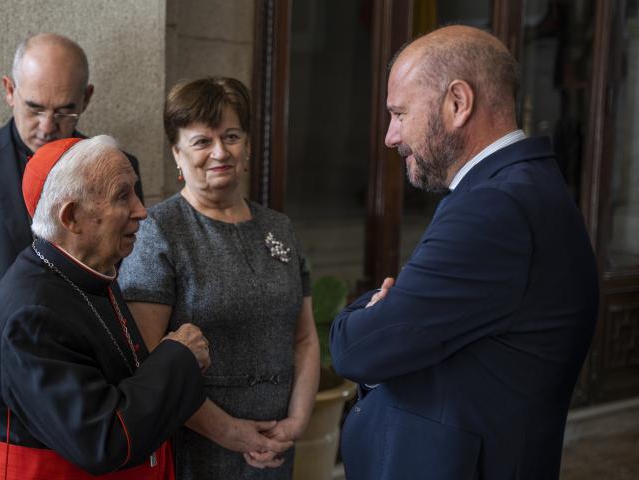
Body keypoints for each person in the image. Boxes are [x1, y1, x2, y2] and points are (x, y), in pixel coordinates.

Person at [330, 25, 599, 480]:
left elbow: (356, 351)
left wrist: (365, 311)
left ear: (458, 102)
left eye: (400, 113)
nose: (391, 136)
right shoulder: (514, 189)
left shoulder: (495, 207)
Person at [0, 33, 142, 478]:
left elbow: (127, 281)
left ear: (87, 98)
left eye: (64, 111)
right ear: (9, 90)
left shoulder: (119, 170)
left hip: (87, 410)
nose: (46, 126)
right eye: (34, 108)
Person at [118, 76, 320, 479]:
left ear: (248, 145)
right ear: (177, 153)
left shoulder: (279, 228)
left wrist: (296, 422)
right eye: (202, 141)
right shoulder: (159, 231)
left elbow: (305, 338)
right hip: (196, 448)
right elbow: (146, 358)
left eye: (231, 136)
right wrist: (230, 432)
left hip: (276, 447)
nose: (220, 152)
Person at [0, 135, 207, 479]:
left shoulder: (88, 273)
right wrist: (179, 356)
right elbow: (103, 439)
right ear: (72, 217)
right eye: (122, 196)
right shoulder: (31, 316)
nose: (141, 210)